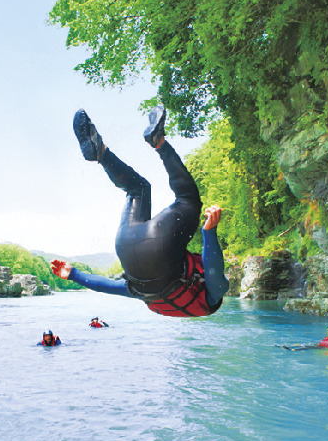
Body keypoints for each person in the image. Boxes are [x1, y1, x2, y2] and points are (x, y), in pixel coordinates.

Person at [51, 106, 230, 317]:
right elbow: (105, 286)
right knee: (137, 189)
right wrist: (74, 275)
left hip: (159, 245)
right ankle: (100, 154)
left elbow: (214, 276)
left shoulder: (211, 299)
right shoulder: (144, 294)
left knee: (188, 199)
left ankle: (159, 142)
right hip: (125, 245)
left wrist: (209, 233)